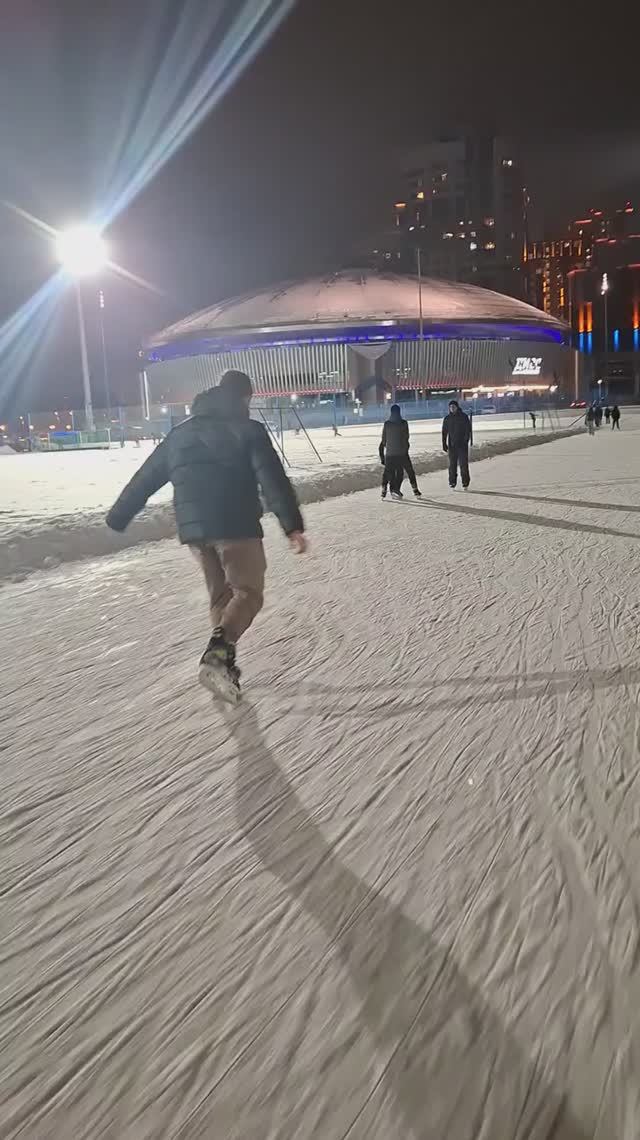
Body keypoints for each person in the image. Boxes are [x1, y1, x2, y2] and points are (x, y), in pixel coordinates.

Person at [106, 370, 306, 702]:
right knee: (248, 593)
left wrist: (119, 515)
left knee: (221, 597)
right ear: (245, 397)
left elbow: (146, 477)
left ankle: (222, 664)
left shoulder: (180, 434)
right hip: (235, 523)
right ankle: (217, 656)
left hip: (194, 530)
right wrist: (292, 525)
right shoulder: (248, 430)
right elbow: (271, 478)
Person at [379, 404, 421, 500]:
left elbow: (384, 439)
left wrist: (385, 452)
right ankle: (414, 489)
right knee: (407, 471)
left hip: (390, 453)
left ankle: (385, 490)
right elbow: (406, 437)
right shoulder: (403, 423)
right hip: (402, 453)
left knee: (388, 472)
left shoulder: (387, 424)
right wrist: (405, 448)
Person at [442, 400, 472, 489]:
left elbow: (468, 430)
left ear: (457, 407)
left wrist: (466, 440)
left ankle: (465, 482)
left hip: (462, 445)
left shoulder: (463, 417)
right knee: (452, 465)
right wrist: (444, 443)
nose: (452, 408)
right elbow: (444, 432)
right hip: (452, 445)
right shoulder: (447, 418)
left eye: (453, 407)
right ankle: (452, 482)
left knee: (463, 465)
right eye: (450, 407)